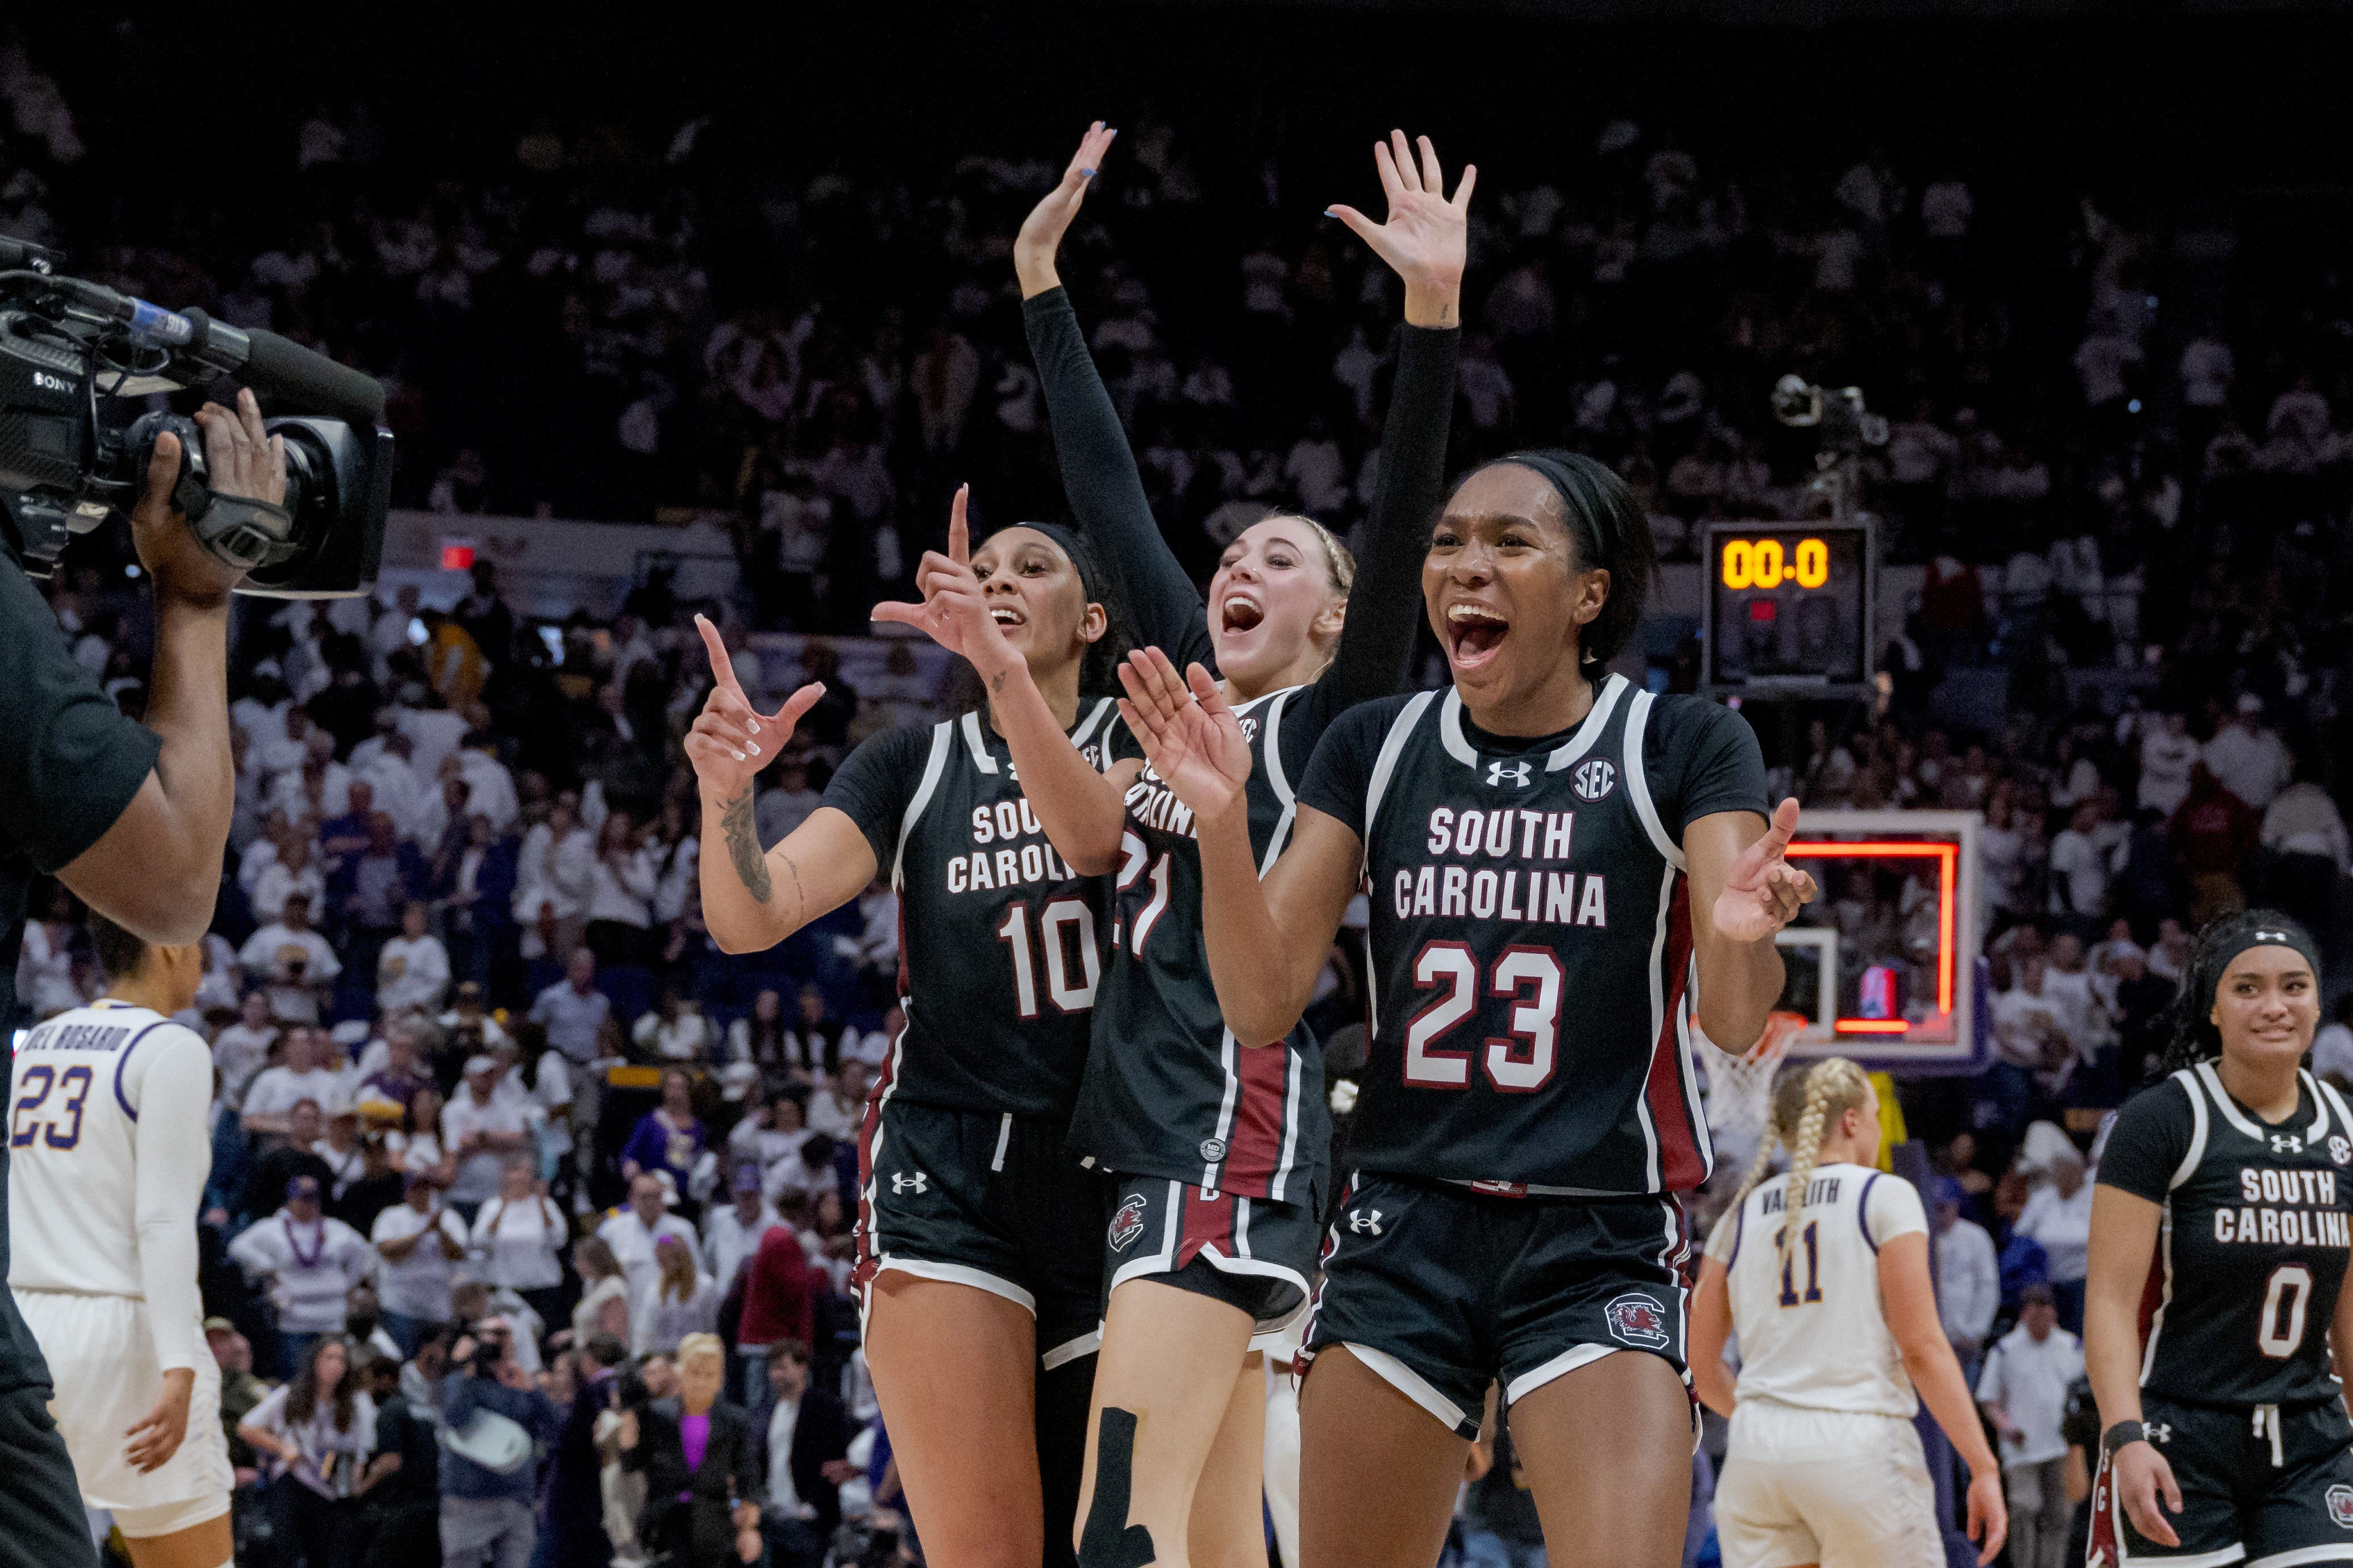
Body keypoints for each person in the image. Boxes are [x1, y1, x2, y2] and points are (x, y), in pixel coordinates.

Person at [871, 122, 1465, 1568]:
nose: (1237, 565)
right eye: (1234, 553)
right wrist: (1037, 284)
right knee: (1202, 1544)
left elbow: (1392, 535)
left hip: (1229, 1121)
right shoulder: (1181, 698)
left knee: (1119, 1531)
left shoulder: (1341, 713)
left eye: (1278, 557)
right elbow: (1108, 499)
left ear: (1329, 616)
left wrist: (1430, 317)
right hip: (1141, 1133)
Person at [1120, 433, 1814, 1567]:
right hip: (1404, 1223)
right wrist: (1221, 829)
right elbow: (1259, 1005)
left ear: (1591, 593)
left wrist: (1732, 935)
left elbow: (1737, 1022)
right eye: (1447, 543)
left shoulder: (1681, 743)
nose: (1463, 567)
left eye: (1509, 542)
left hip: (1593, 1227)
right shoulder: (1376, 744)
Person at [687, 140, 1163, 1564]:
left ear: (1092, 623)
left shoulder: (1145, 747)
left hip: (1119, 1160)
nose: (1003, 582)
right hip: (948, 1157)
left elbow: (1090, 830)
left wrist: (1003, 675)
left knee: (1111, 1541)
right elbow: (752, 916)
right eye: (989, 565)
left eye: (1036, 571)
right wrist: (723, 794)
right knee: (988, 1547)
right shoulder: (913, 762)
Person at [2084, 910, 2353, 1567]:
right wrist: (2125, 1437)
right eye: (2246, 988)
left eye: (2293, 986)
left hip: (2308, 1436)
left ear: (2317, 1002)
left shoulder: (2344, 1123)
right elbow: (2109, 1301)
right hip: (2179, 1433)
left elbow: (2347, 1307)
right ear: (2211, 1008)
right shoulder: (2161, 1120)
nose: (2273, 1006)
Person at [1689, 1058, 2006, 1568]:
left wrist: (1767, 1414)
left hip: (1757, 1455)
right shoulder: (1886, 1195)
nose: (1881, 1129)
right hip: (1857, 1447)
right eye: (1877, 1114)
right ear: (1853, 1121)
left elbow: (1700, 1364)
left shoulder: (1738, 1215)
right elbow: (1922, 1346)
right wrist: (1983, 1464)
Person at [6, 914, 236, 1568]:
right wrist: (179, 1366)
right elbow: (161, 1222)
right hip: (127, 1337)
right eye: (196, 945)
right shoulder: (173, 1048)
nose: (201, 961)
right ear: (166, 948)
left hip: (28, 1334)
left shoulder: (40, 1040)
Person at [621, 1333, 764, 1567]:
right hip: (665, 1524)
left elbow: (747, 1475)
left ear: (721, 1379)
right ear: (681, 1371)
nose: (702, 1382)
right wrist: (629, 1432)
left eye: (711, 1375)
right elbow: (632, 1463)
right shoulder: (657, 1415)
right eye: (695, 1373)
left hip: (715, 1525)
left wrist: (749, 1528)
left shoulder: (734, 1421)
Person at [238, 1335, 377, 1568]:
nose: (335, 1365)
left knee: (328, 1556)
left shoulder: (355, 1404)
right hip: (294, 1479)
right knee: (289, 1554)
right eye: (329, 1357)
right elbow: (247, 1427)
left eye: (341, 1359)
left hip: (332, 1488)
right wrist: (282, 1447)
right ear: (315, 1362)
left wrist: (355, 1485)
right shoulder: (291, 1395)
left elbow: (361, 1452)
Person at [440, 1314, 560, 1568]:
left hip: (516, 1497)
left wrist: (533, 1391)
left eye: (502, 1336)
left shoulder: (523, 1382)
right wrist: (461, 1368)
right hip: (468, 1500)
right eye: (490, 1335)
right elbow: (455, 1418)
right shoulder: (463, 1379)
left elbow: (556, 1430)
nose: (496, 1343)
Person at [1977, 1283, 2083, 1568]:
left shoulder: (2070, 1346)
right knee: (2025, 1507)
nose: (2041, 1324)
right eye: (2034, 1317)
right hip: (2021, 1446)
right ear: (2024, 1316)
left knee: (2060, 1513)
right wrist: (2006, 1427)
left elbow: (2083, 1392)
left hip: (2060, 1444)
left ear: (2054, 1315)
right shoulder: (2006, 1350)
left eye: (2046, 1316)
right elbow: (1989, 1400)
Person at [229, 1175, 374, 1375]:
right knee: (296, 1376)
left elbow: (364, 1252)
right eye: (302, 1198)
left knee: (331, 1375)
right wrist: (267, 1267)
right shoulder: (273, 1228)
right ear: (290, 1200)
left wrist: (349, 1285)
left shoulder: (336, 1229)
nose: (308, 1204)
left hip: (331, 1317)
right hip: (294, 1318)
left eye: (312, 1199)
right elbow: (238, 1247)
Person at [757, 1339, 854, 1568]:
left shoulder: (826, 1407)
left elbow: (836, 1459)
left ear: (803, 1367)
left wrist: (815, 1504)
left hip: (808, 1518)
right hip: (772, 1515)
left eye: (783, 1367)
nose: (776, 1375)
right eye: (773, 1369)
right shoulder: (767, 1408)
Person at [550, 1333, 629, 1568]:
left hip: (586, 1489)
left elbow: (571, 1442)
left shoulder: (591, 1391)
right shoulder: (625, 1385)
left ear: (589, 1359)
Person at [369, 1170, 467, 1357]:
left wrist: (440, 1232)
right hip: (400, 1307)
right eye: (416, 1189)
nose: (420, 1194)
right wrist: (422, 1233)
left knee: (436, 1363)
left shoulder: (449, 1218)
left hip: (438, 1308)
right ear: (406, 1192)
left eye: (425, 1189)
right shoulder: (391, 1216)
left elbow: (458, 1254)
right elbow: (387, 1251)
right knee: (400, 1359)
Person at [355, 1351, 439, 1568]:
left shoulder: (391, 1411)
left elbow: (391, 1461)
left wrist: (361, 1488)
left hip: (402, 1510)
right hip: (433, 1509)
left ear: (384, 1380)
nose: (366, 1392)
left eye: (367, 1383)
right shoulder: (424, 1410)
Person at [597, 1174, 700, 1349]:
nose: (651, 1202)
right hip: (629, 1317)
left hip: (673, 1323)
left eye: (656, 1196)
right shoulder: (612, 1230)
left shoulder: (682, 1229)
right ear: (632, 1198)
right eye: (645, 1197)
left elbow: (696, 1274)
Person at [472, 1153, 570, 1330]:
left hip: (542, 1286)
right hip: (506, 1288)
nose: (523, 1176)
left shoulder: (546, 1205)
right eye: (517, 1171)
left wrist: (541, 1204)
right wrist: (503, 1206)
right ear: (506, 1175)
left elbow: (559, 1240)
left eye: (528, 1172)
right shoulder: (492, 1206)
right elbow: (479, 1242)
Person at [1933, 1177, 2002, 1377]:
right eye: (1934, 1208)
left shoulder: (1975, 1237)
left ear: (1955, 1206)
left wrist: (1977, 1330)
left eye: (1943, 1208)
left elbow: (1987, 1286)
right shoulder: (1924, 1236)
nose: (1939, 1215)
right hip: (1933, 1337)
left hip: (1964, 1337)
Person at [619, 1068, 708, 1206]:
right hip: (656, 1195)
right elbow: (630, 1155)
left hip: (687, 1198)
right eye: (671, 1087)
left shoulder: (697, 1128)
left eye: (681, 1088)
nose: (676, 1092)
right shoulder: (650, 1122)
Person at [644, 1235, 720, 1356]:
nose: (663, 1267)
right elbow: (647, 1331)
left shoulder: (705, 1287)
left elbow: (712, 1327)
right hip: (664, 1360)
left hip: (697, 1359)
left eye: (666, 1262)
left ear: (680, 1260)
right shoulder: (654, 1290)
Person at [569, 1235, 635, 1350]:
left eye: (579, 1260)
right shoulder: (591, 1284)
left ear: (593, 1261)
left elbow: (614, 1334)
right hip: (587, 1357)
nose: (576, 1265)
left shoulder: (613, 1288)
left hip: (603, 1359)